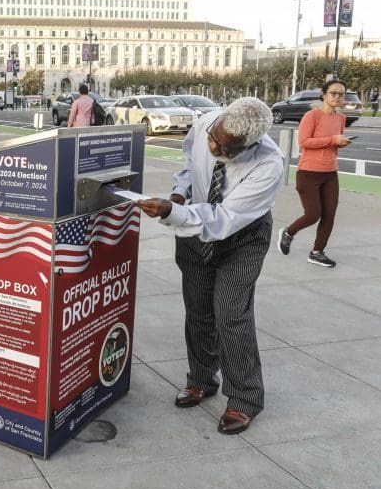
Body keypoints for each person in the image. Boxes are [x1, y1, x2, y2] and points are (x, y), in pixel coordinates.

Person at [136, 97, 284, 435]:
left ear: (250, 145)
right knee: (198, 308)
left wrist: (172, 213)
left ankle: (245, 399)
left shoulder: (268, 165)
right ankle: (201, 379)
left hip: (241, 237)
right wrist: (178, 193)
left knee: (231, 313)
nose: (213, 145)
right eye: (213, 138)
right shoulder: (209, 124)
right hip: (194, 221)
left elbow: (224, 220)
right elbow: (191, 162)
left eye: (225, 147)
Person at [278, 79, 353, 268]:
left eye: (341, 94)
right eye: (333, 93)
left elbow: (333, 144)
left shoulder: (341, 118)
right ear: (324, 94)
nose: (337, 97)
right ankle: (288, 232)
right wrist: (332, 139)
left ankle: (317, 252)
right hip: (309, 172)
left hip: (330, 173)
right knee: (313, 214)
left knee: (329, 215)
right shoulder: (312, 116)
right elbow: (304, 142)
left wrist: (340, 142)